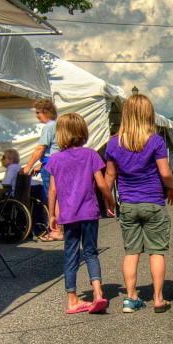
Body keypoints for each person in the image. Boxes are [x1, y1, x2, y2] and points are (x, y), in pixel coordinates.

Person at [105, 94, 173, 313]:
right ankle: (157, 298)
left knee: (131, 252)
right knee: (156, 251)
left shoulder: (113, 142)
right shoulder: (155, 141)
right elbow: (165, 172)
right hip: (153, 202)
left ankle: (131, 298)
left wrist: (107, 201)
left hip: (128, 203)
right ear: (148, 115)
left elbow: (109, 177)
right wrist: (172, 189)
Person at [47, 113, 115, 315]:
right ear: (82, 132)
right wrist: (110, 201)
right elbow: (102, 184)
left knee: (70, 254)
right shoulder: (91, 155)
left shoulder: (55, 160)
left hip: (68, 215)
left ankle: (72, 299)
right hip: (89, 212)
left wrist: (51, 214)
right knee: (91, 252)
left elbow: (52, 191)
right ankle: (97, 293)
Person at [21, 98, 59, 240]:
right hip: (53, 163)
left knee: (52, 197)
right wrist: (40, 164)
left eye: (38, 112)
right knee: (57, 197)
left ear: (45, 112)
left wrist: (28, 165)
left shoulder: (48, 126)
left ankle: (55, 230)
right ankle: (58, 229)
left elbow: (41, 148)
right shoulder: (57, 125)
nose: (36, 115)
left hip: (50, 165)